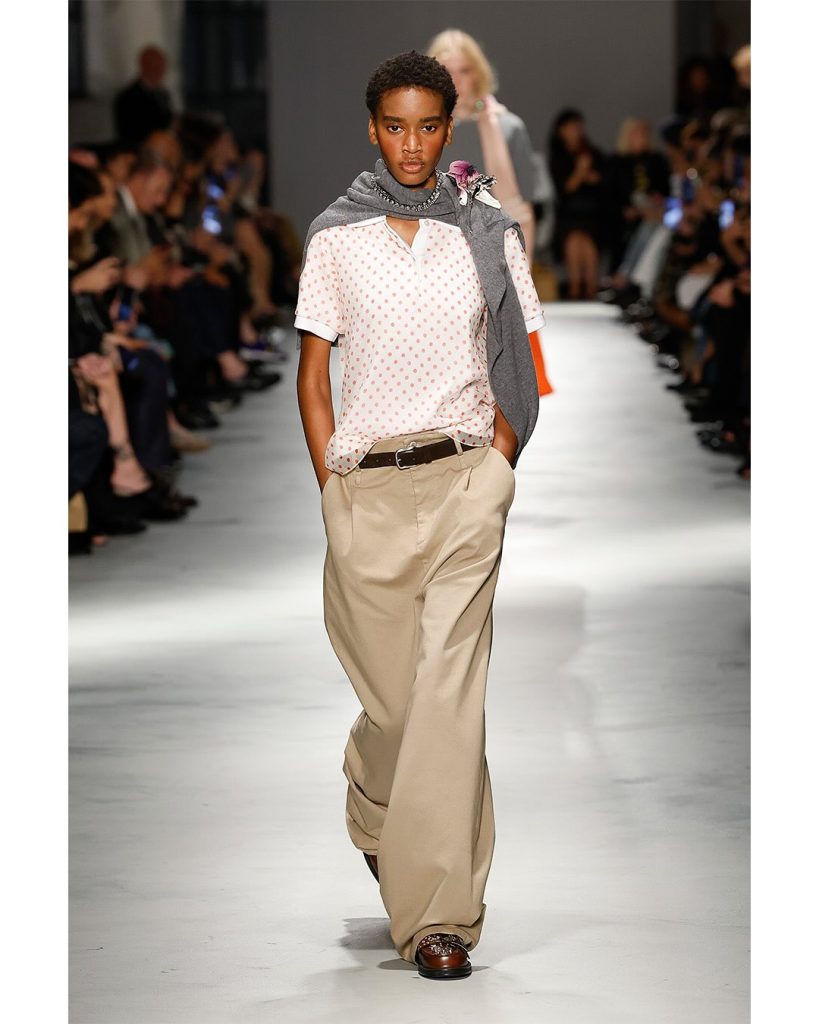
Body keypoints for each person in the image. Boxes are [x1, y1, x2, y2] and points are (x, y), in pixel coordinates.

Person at [295, 50, 545, 981]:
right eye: (394, 126)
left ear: (448, 130)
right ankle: (376, 799)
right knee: (396, 710)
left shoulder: (486, 230)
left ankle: (440, 916)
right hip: (364, 491)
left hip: (463, 483)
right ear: (373, 128)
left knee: (446, 702)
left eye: (428, 126)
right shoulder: (335, 237)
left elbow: (520, 361)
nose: (411, 144)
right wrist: (330, 489)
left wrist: (497, 464)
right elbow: (312, 376)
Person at [547, 107, 608, 300]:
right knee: (574, 239)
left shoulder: (593, 154)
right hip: (568, 213)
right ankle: (575, 288)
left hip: (593, 212)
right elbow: (565, 189)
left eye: (578, 126)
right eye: (571, 127)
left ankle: (590, 287)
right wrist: (581, 173)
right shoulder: (558, 158)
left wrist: (586, 175)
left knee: (587, 240)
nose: (576, 131)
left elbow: (603, 182)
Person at [113, 45, 175, 148]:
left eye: (162, 67)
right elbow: (131, 134)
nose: (161, 71)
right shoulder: (128, 98)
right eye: (155, 67)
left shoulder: (163, 94)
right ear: (144, 66)